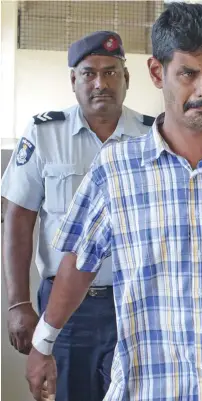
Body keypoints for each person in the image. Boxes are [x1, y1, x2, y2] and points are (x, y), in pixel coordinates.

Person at [25, 4, 202, 401]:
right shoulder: (117, 168)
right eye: (188, 74)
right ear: (158, 72)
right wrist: (44, 343)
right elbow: (78, 265)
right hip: (146, 387)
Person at [1, 31, 154, 401]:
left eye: (111, 72)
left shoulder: (154, 137)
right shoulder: (45, 133)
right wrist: (19, 302)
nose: (100, 83)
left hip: (136, 300)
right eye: (88, 73)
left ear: (127, 78)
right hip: (67, 307)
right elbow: (18, 218)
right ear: (74, 80)